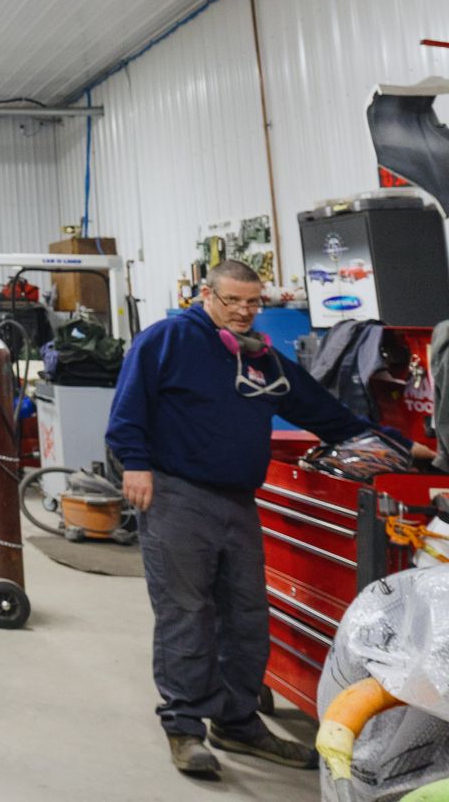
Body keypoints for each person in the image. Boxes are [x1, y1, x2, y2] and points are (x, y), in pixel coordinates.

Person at [106, 259, 433, 779]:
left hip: (237, 500)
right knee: (186, 613)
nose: (242, 311)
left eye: (252, 302)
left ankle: (236, 722)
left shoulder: (262, 359)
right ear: (205, 295)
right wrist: (136, 466)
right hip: (175, 495)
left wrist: (408, 448)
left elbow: (326, 414)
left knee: (246, 615)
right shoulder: (166, 340)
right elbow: (127, 412)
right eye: (231, 300)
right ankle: (184, 726)